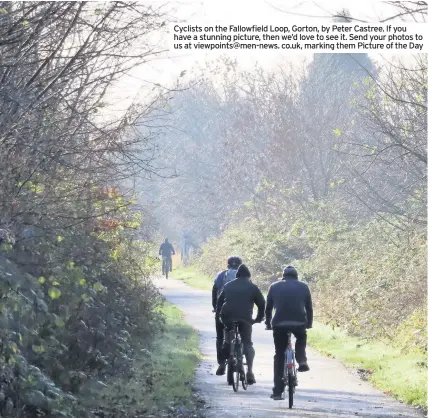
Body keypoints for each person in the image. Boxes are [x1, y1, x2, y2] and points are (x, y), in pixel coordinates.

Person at [265, 265, 313, 400]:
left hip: (279, 324)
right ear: (296, 276)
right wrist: (309, 323)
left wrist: (268, 324)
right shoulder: (303, 286)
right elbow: (309, 308)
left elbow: (268, 308)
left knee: (279, 354)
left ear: (283, 276)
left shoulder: (274, 286)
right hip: (299, 323)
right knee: (301, 339)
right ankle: (302, 360)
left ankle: (277, 391)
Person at [216, 263, 265, 385]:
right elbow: (262, 304)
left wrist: (219, 315)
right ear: (248, 276)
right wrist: (258, 318)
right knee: (247, 343)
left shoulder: (228, 285)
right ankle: (250, 371)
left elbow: (219, 302)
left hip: (228, 317)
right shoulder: (252, 287)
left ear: (237, 275)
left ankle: (228, 348)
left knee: (227, 336)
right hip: (245, 318)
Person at [211, 255, 242, 376]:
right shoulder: (245, 277)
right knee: (244, 333)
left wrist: (215, 308)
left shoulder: (221, 275)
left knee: (220, 336)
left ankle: (222, 364)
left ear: (227, 265)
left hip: (223, 311)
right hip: (240, 312)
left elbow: (214, 292)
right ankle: (241, 353)